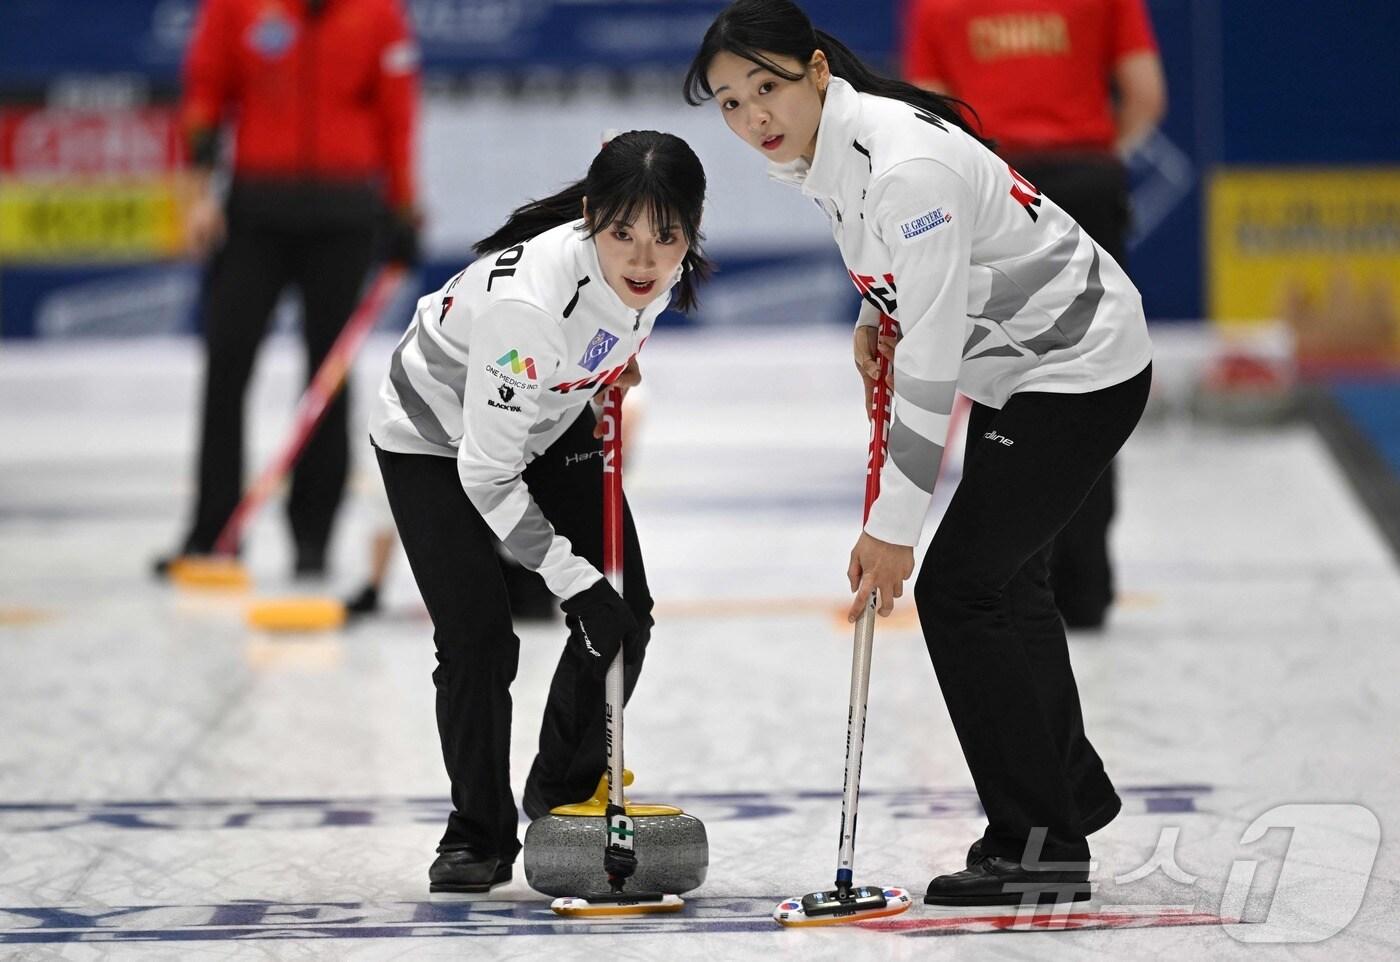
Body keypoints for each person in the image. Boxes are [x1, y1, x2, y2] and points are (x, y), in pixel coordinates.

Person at [686, 0, 1152, 906]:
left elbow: (935, 354)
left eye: (768, 89)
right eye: (731, 103)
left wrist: (893, 526)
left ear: (818, 71)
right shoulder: (830, 149)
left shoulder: (904, 165)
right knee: (1008, 583)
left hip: (1075, 366)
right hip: (1028, 360)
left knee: (959, 587)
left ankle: (1038, 845)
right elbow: (916, 279)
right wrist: (877, 309)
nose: (753, 120)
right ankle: (1067, 793)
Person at [368, 131, 710, 893]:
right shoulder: (528, 309)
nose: (646, 261)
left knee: (626, 614)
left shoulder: (651, 274)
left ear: (691, 229)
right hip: (433, 438)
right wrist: (571, 582)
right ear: (591, 219)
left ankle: (560, 793)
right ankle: (476, 833)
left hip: (549, 413)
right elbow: (487, 475)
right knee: (479, 640)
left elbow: (601, 326)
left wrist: (605, 370)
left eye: (668, 237)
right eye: (623, 234)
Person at [903, 0, 1167, 629]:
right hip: (1086, 182)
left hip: (999, 189)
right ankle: (1086, 587)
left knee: (1003, 382)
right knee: (1093, 377)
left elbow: (929, 117)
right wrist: (1098, 155)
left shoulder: (938, 6)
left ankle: (1013, 581)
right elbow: (1146, 94)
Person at [158, 0, 421, 577]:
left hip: (345, 212)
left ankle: (313, 538)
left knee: (327, 377)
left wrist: (403, 207)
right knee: (227, 362)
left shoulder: (379, 14)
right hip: (256, 210)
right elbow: (205, 93)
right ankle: (213, 531)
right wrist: (198, 195)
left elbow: (396, 112)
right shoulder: (235, 7)